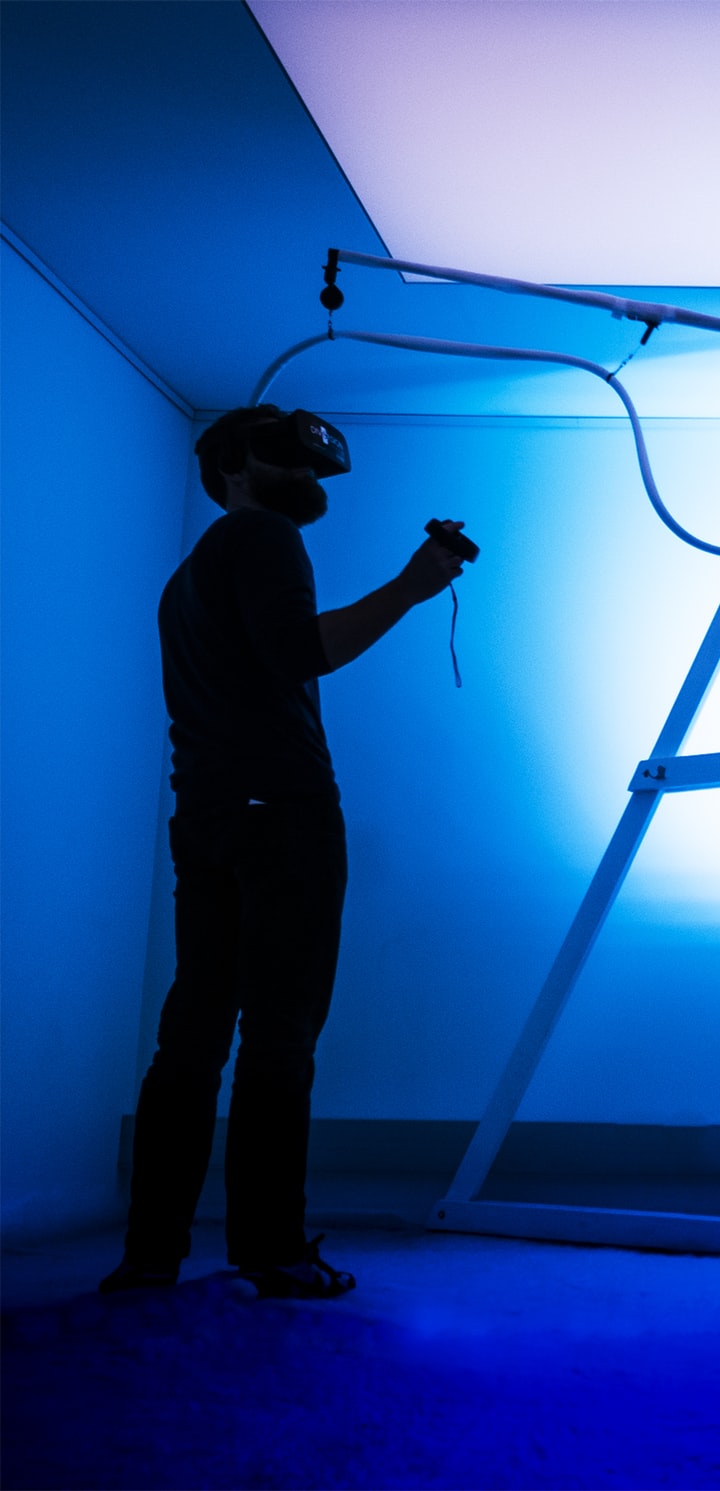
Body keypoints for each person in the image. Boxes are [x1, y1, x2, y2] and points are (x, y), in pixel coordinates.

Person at [99, 405, 466, 1299]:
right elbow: (304, 650)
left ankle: (151, 1254)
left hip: (211, 818)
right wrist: (413, 586)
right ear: (234, 468)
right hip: (281, 817)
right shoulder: (260, 536)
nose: (308, 480)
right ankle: (272, 1251)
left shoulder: (183, 582)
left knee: (191, 1034)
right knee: (278, 1037)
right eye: (286, 460)